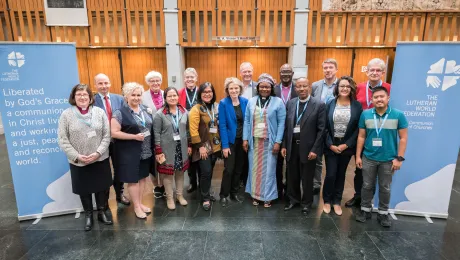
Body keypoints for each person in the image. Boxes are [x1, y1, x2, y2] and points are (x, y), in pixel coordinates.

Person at [58, 84, 113, 231]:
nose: (82, 97)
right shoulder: (66, 115)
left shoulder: (100, 113)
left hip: (99, 158)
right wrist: (77, 156)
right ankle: (88, 215)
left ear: (90, 98)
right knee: (84, 188)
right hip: (79, 161)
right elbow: (63, 140)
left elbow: (107, 136)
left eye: (85, 95)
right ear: (73, 97)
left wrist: (97, 153)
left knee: (102, 187)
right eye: (79, 95)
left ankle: (101, 212)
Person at [355, 86, 408, 227]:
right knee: (366, 185)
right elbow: (361, 136)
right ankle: (365, 210)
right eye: (376, 97)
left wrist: (399, 158)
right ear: (372, 100)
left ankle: (383, 213)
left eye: (382, 97)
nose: (379, 99)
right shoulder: (365, 114)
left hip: (388, 159)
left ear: (388, 98)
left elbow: (403, 138)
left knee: (385, 187)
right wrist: (358, 156)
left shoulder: (398, 115)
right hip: (368, 157)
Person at [346, 58, 392, 208]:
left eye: (378, 70)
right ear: (367, 71)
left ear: (383, 73)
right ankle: (358, 196)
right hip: (360, 133)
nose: (374, 73)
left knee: (380, 168)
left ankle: (373, 200)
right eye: (371, 69)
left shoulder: (389, 88)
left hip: (380, 133)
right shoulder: (359, 87)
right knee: (359, 167)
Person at [281, 77, 325, 215]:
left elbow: (321, 130)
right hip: (292, 146)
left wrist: (315, 149)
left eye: (304, 86)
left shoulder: (318, 105)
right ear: (295, 89)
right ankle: (293, 199)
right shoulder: (291, 103)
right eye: (298, 86)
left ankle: (306, 204)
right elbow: (287, 127)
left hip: (308, 149)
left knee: (307, 178)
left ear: (309, 87)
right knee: (292, 175)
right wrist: (284, 145)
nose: (301, 89)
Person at [111, 82, 155, 219]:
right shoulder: (119, 113)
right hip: (129, 153)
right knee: (133, 180)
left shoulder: (145, 109)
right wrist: (134, 137)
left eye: (139, 95)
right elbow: (114, 132)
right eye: (133, 95)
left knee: (143, 179)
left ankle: (140, 203)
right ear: (126, 96)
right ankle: (136, 207)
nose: (136, 98)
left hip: (146, 151)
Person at [243, 73, 286, 208]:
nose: (264, 89)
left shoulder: (278, 102)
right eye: (262, 86)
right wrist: (245, 139)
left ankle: (268, 197)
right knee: (254, 169)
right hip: (254, 142)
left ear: (271, 88)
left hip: (270, 142)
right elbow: (247, 122)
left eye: (267, 87)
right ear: (258, 87)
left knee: (269, 171)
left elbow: (281, 123)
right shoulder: (251, 101)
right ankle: (255, 195)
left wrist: (278, 142)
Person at [322, 76, 363, 216]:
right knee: (331, 174)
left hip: (346, 146)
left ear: (351, 89)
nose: (344, 88)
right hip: (331, 146)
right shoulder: (330, 104)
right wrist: (330, 144)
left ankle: (336, 201)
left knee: (341, 174)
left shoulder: (357, 106)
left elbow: (358, 129)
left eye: (347, 86)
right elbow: (324, 127)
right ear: (337, 88)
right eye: (342, 86)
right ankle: (327, 201)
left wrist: (347, 144)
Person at [93, 73, 129, 206]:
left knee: (119, 168)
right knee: (103, 171)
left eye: (106, 83)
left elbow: (125, 117)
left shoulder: (119, 99)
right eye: (100, 83)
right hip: (100, 141)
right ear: (95, 85)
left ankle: (120, 193)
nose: (104, 86)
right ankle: (105, 200)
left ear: (110, 83)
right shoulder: (91, 100)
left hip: (118, 141)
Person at [153, 87, 191, 210]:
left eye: (174, 95)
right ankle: (169, 198)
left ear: (178, 97)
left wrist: (189, 145)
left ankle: (179, 196)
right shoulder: (160, 114)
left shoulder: (184, 111)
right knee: (167, 175)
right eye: (169, 96)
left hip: (181, 147)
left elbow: (188, 130)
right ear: (165, 98)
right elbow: (156, 133)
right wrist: (158, 150)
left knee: (180, 172)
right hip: (166, 148)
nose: (172, 98)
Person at [189, 82, 222, 211]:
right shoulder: (196, 109)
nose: (207, 94)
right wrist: (200, 147)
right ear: (200, 94)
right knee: (206, 172)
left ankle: (206, 193)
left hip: (214, 145)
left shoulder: (215, 106)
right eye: (205, 92)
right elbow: (193, 130)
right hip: (203, 146)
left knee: (209, 171)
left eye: (210, 92)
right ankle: (205, 198)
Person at [218, 77, 248, 207]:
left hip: (242, 141)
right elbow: (223, 125)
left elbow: (248, 121)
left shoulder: (245, 102)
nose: (234, 90)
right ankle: (223, 195)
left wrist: (246, 140)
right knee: (229, 168)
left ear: (240, 89)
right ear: (227, 90)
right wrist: (224, 146)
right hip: (230, 141)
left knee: (238, 168)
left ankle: (234, 193)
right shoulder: (223, 103)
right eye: (231, 88)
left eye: (236, 88)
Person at [311, 58, 339, 195]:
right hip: (317, 126)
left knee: (332, 160)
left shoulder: (342, 85)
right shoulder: (315, 85)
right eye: (325, 68)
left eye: (330, 67)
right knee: (316, 157)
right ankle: (316, 184)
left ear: (336, 70)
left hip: (335, 128)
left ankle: (332, 187)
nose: (328, 70)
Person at [274, 64, 298, 200]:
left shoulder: (298, 89)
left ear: (292, 73)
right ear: (279, 73)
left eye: (288, 72)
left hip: (293, 131)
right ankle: (277, 190)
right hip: (277, 130)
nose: (285, 74)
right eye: (283, 72)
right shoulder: (274, 89)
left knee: (291, 163)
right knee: (277, 164)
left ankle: (290, 192)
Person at [141, 70, 165, 199]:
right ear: (148, 82)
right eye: (152, 81)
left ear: (161, 81)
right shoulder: (143, 96)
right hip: (149, 133)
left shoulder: (165, 93)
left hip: (165, 132)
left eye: (157, 80)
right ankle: (156, 185)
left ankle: (166, 185)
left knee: (164, 158)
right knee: (153, 161)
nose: (155, 83)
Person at [178, 68, 201, 194]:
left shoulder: (201, 91)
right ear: (184, 79)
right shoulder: (179, 92)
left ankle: (202, 182)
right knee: (189, 156)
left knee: (201, 155)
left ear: (196, 78)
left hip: (200, 128)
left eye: (192, 77)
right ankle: (192, 182)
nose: (189, 79)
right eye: (187, 77)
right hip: (185, 129)